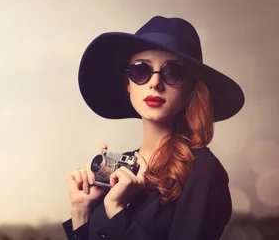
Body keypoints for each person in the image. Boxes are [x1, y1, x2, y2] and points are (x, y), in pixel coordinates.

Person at [62, 16, 245, 240]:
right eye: (141, 71)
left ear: (190, 88)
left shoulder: (202, 171)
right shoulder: (119, 171)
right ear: (127, 84)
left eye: (173, 72)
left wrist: (117, 210)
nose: (155, 83)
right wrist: (81, 210)